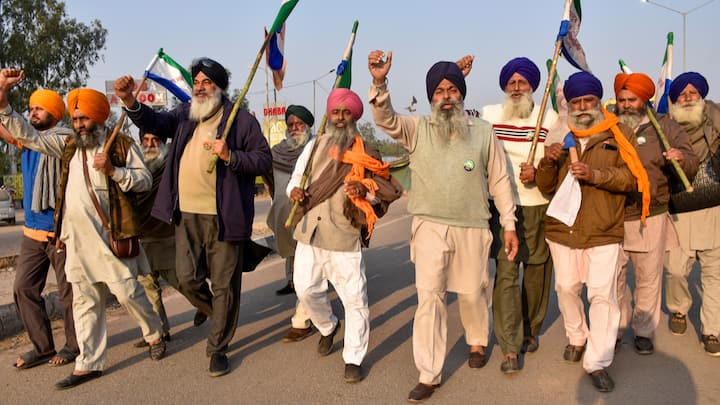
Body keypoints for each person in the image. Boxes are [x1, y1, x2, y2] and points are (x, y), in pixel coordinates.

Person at [368, 51, 519, 402]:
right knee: (430, 298)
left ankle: (477, 341)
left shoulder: (482, 132)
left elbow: (499, 181)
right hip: (430, 226)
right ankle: (429, 373)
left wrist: (508, 225)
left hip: (472, 224)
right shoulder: (417, 128)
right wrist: (379, 81)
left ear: (461, 94)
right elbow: (385, 118)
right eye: (439, 91)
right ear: (430, 97)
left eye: (452, 89)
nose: (446, 96)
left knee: (471, 292)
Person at [0, 69, 165, 390]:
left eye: (84, 119)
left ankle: (154, 333)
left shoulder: (119, 146)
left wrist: (115, 171)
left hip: (110, 237)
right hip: (75, 241)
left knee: (127, 293)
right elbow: (29, 136)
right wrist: (3, 99)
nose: (78, 125)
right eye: (75, 119)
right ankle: (88, 363)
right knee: (84, 302)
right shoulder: (68, 146)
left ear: (98, 118)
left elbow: (143, 180)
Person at [115, 57, 273, 377]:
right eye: (197, 82)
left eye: (206, 82)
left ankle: (218, 348)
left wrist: (231, 156)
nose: (200, 88)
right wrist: (131, 101)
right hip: (185, 215)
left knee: (226, 284)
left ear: (219, 87)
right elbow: (155, 123)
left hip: (224, 217)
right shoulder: (186, 115)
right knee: (187, 278)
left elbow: (262, 159)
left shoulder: (240, 121)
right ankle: (218, 313)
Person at [536, 71, 650, 392]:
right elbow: (547, 188)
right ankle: (576, 336)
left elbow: (632, 180)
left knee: (603, 296)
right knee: (567, 288)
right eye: (577, 101)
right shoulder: (559, 134)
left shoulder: (619, 133)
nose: (583, 106)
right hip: (563, 231)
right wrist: (547, 163)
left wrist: (596, 174)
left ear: (599, 102)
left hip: (604, 229)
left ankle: (598, 361)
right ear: (569, 105)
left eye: (589, 100)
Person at [287, 88, 402, 383]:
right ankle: (327, 326)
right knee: (305, 289)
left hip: (344, 235)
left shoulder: (365, 151)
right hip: (310, 232)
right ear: (329, 115)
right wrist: (294, 192)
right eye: (335, 112)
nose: (339, 118)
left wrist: (365, 191)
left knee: (355, 299)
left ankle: (353, 357)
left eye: (345, 112)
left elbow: (386, 189)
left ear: (354, 116)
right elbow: (294, 181)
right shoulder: (313, 147)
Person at [480, 57, 557, 373]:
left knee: (537, 272)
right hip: (502, 207)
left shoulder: (549, 118)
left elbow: (560, 163)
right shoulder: (488, 116)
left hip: (538, 204)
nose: (516, 88)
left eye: (522, 82)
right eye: (511, 83)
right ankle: (510, 347)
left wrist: (539, 172)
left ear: (533, 86)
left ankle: (530, 329)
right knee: (507, 274)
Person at [613, 72, 698, 355]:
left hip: (652, 214)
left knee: (649, 278)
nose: (625, 105)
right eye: (622, 99)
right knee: (615, 276)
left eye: (632, 100)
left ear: (645, 100)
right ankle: (616, 326)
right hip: (613, 214)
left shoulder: (666, 127)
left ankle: (644, 331)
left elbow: (692, 161)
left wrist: (681, 158)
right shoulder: (610, 124)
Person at [0, 78, 79, 369]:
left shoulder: (64, 139)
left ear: (55, 113)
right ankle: (43, 347)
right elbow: (13, 130)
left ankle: (74, 345)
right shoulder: (27, 139)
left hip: (61, 232)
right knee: (23, 289)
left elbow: (20, 129)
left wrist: (5, 103)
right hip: (32, 232)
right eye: (31, 108)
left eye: (39, 109)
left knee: (70, 293)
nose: (32, 113)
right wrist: (2, 94)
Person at [664, 71, 720, 356]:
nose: (687, 98)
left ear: (701, 96)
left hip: (714, 209)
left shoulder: (716, 121)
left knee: (714, 274)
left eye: (692, 93)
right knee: (676, 270)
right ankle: (678, 310)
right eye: (681, 94)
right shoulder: (665, 127)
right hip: (679, 212)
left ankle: (712, 330)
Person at [263, 105, 315, 342]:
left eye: (299, 124)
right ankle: (303, 296)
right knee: (294, 260)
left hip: (310, 218)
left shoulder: (317, 150)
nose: (295, 128)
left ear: (308, 126)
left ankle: (302, 320)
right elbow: (268, 178)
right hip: (284, 216)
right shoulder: (276, 153)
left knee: (307, 270)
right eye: (291, 124)